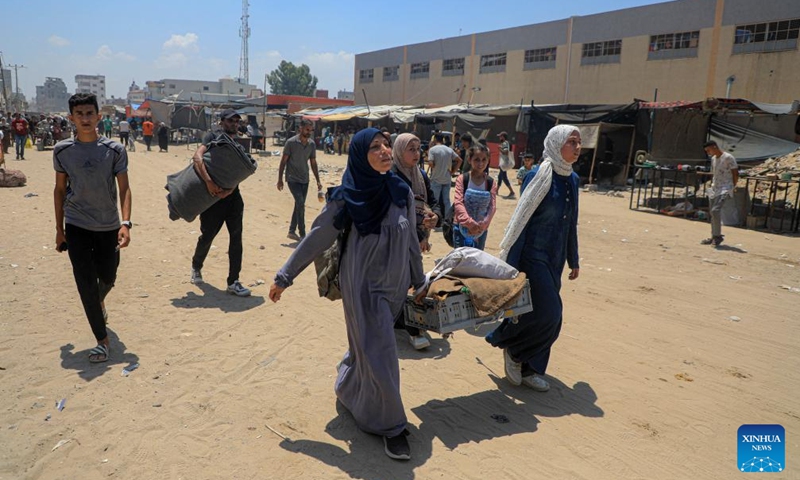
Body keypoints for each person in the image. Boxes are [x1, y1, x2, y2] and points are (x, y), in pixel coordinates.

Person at [269, 128, 424, 461]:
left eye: (386, 145)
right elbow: (316, 237)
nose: (384, 151)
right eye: (375, 147)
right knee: (383, 354)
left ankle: (348, 386)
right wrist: (285, 276)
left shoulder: (401, 191)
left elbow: (411, 239)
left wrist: (419, 280)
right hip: (363, 286)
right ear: (359, 156)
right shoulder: (347, 196)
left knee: (369, 348)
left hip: (395, 288)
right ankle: (392, 427)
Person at [486, 125, 581, 392]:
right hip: (533, 256)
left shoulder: (573, 179)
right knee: (551, 314)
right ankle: (514, 351)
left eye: (578, 142)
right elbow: (521, 220)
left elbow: (571, 223)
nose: (577, 147)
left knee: (535, 312)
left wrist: (573, 258)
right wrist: (511, 262)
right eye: (571, 142)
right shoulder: (537, 175)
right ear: (556, 144)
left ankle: (532, 368)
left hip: (555, 258)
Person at [53, 93, 133, 363]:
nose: (85, 119)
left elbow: (124, 189)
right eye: (79, 114)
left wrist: (125, 223)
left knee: (108, 277)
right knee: (85, 284)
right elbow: (59, 190)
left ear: (99, 117)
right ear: (71, 118)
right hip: (76, 224)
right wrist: (59, 229)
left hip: (108, 225)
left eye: (89, 113)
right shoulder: (62, 150)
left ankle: (99, 302)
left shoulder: (114, 150)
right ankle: (102, 340)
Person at [189, 109, 251, 297]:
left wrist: (230, 190)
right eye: (230, 121)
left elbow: (241, 170)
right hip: (212, 199)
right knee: (208, 236)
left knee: (236, 238)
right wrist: (209, 182)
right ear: (222, 122)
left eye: (237, 121)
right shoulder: (212, 137)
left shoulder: (238, 143)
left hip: (233, 198)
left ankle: (233, 281)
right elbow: (197, 157)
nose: (234, 124)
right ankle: (196, 266)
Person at [391, 132, 438, 350]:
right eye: (411, 149)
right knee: (402, 282)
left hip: (416, 238)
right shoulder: (391, 176)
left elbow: (433, 202)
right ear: (400, 151)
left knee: (408, 281)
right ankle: (413, 329)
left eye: (418, 149)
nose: (417, 153)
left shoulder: (421, 175)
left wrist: (435, 218)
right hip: (395, 240)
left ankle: (402, 322)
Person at [277, 119, 322, 240]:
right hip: (292, 178)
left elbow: (313, 163)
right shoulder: (290, 143)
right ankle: (302, 233)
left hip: (305, 179)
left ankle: (291, 231)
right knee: (300, 203)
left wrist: (318, 180)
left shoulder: (311, 144)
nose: (309, 132)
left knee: (299, 205)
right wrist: (280, 179)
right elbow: (283, 162)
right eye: (307, 129)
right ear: (300, 129)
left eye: (311, 130)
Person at [452, 143, 498, 250]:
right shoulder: (463, 179)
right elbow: (458, 203)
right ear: (469, 160)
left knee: (477, 258)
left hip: (480, 230)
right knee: (460, 258)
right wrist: (469, 223)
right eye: (477, 159)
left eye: (484, 159)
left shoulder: (490, 182)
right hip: (461, 227)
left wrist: (483, 224)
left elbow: (492, 206)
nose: (480, 163)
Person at [699, 140, 738, 246]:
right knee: (712, 212)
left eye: (709, 150)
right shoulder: (713, 159)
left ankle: (717, 236)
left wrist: (733, 186)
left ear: (714, 147)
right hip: (715, 187)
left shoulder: (728, 157)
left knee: (715, 210)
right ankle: (714, 236)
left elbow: (735, 173)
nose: (708, 153)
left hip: (725, 187)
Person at [427, 133, 462, 218]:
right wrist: (453, 172)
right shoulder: (449, 150)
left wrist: (435, 166)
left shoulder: (432, 150)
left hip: (436, 179)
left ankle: (435, 218)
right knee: (446, 201)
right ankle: (447, 219)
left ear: (435, 139)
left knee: (435, 201)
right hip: (447, 179)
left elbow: (430, 163)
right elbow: (459, 160)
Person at [496, 131, 516, 197]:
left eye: (500, 136)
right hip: (504, 163)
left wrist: (499, 149)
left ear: (503, 137)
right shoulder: (506, 143)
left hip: (504, 163)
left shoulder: (505, 143)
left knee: (503, 177)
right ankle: (496, 190)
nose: (499, 138)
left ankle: (511, 192)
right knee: (500, 176)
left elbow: (506, 152)